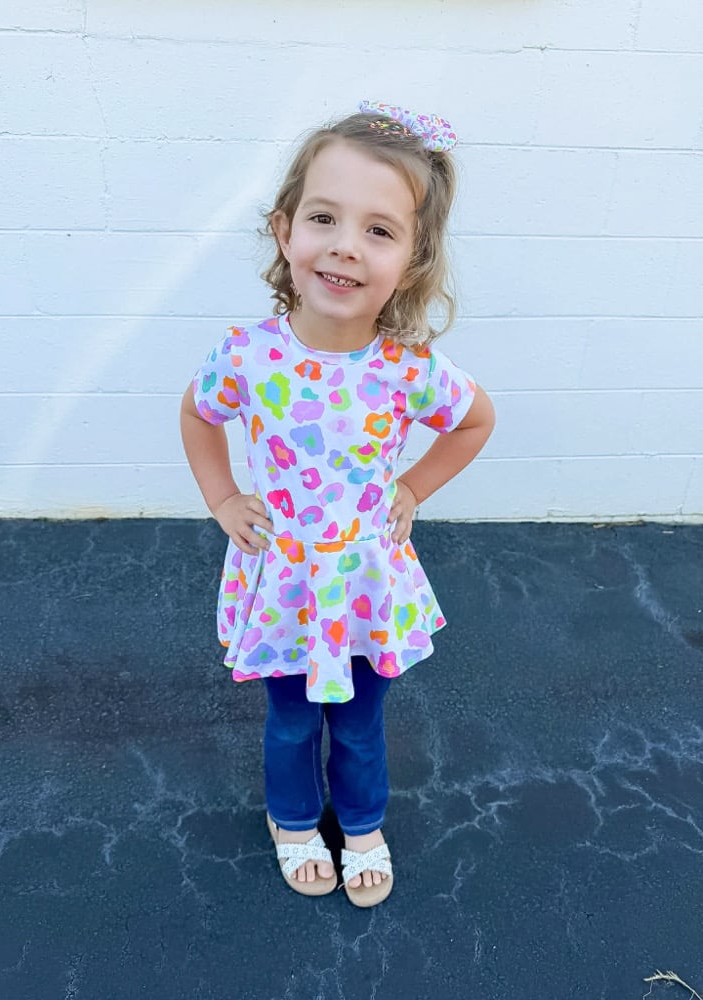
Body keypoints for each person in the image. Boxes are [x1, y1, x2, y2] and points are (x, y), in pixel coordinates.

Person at [180, 101, 495, 907]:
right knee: (291, 721)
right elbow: (198, 413)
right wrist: (222, 496)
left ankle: (361, 825)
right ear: (285, 231)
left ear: (411, 261)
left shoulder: (408, 369)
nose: (346, 245)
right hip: (285, 581)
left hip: (363, 583)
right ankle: (292, 820)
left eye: (379, 230)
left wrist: (413, 487)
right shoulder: (247, 356)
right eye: (324, 218)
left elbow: (475, 421)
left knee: (358, 722)